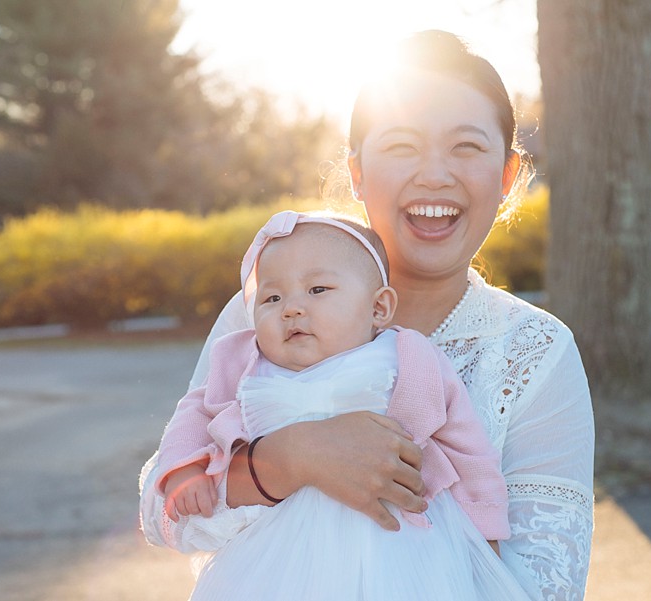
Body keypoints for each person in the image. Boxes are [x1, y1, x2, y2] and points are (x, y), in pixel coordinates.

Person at [141, 30, 594, 600]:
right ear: (356, 173)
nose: (434, 174)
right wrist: (289, 460)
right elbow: (165, 515)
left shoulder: (535, 350)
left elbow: (544, 586)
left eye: (467, 147)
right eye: (402, 146)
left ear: (506, 177)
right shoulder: (270, 310)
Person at [151, 210, 531, 599]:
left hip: (398, 546)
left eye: (318, 290)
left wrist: (485, 535)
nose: (291, 308)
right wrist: (184, 471)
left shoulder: (409, 357)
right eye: (271, 297)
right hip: (277, 556)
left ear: (379, 307)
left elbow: (467, 449)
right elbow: (193, 416)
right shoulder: (242, 360)